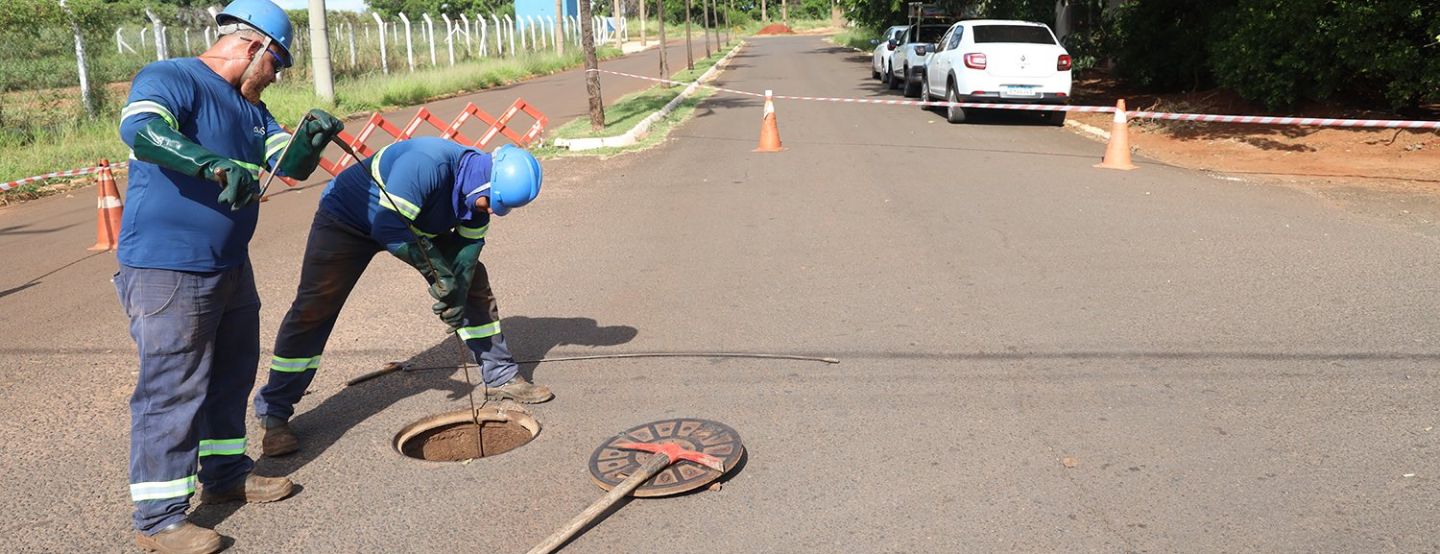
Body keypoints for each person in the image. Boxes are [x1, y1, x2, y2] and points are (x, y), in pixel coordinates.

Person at [113, 0, 343, 552]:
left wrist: (308, 142)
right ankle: (158, 518)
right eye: (278, 64)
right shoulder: (172, 77)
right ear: (255, 46)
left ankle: (223, 478)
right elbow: (141, 130)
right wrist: (210, 164)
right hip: (169, 265)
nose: (277, 76)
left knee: (232, 374)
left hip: (230, 265)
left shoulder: (253, 110)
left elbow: (283, 165)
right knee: (171, 388)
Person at [252, 136, 548, 458]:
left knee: (474, 284)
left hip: (413, 223)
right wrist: (439, 275)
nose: (492, 210)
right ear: (483, 185)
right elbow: (388, 227)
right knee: (314, 307)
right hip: (348, 219)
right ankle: (275, 412)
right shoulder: (426, 163)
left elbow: (466, 258)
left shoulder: (478, 190)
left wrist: (455, 293)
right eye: (491, 201)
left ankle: (501, 376)